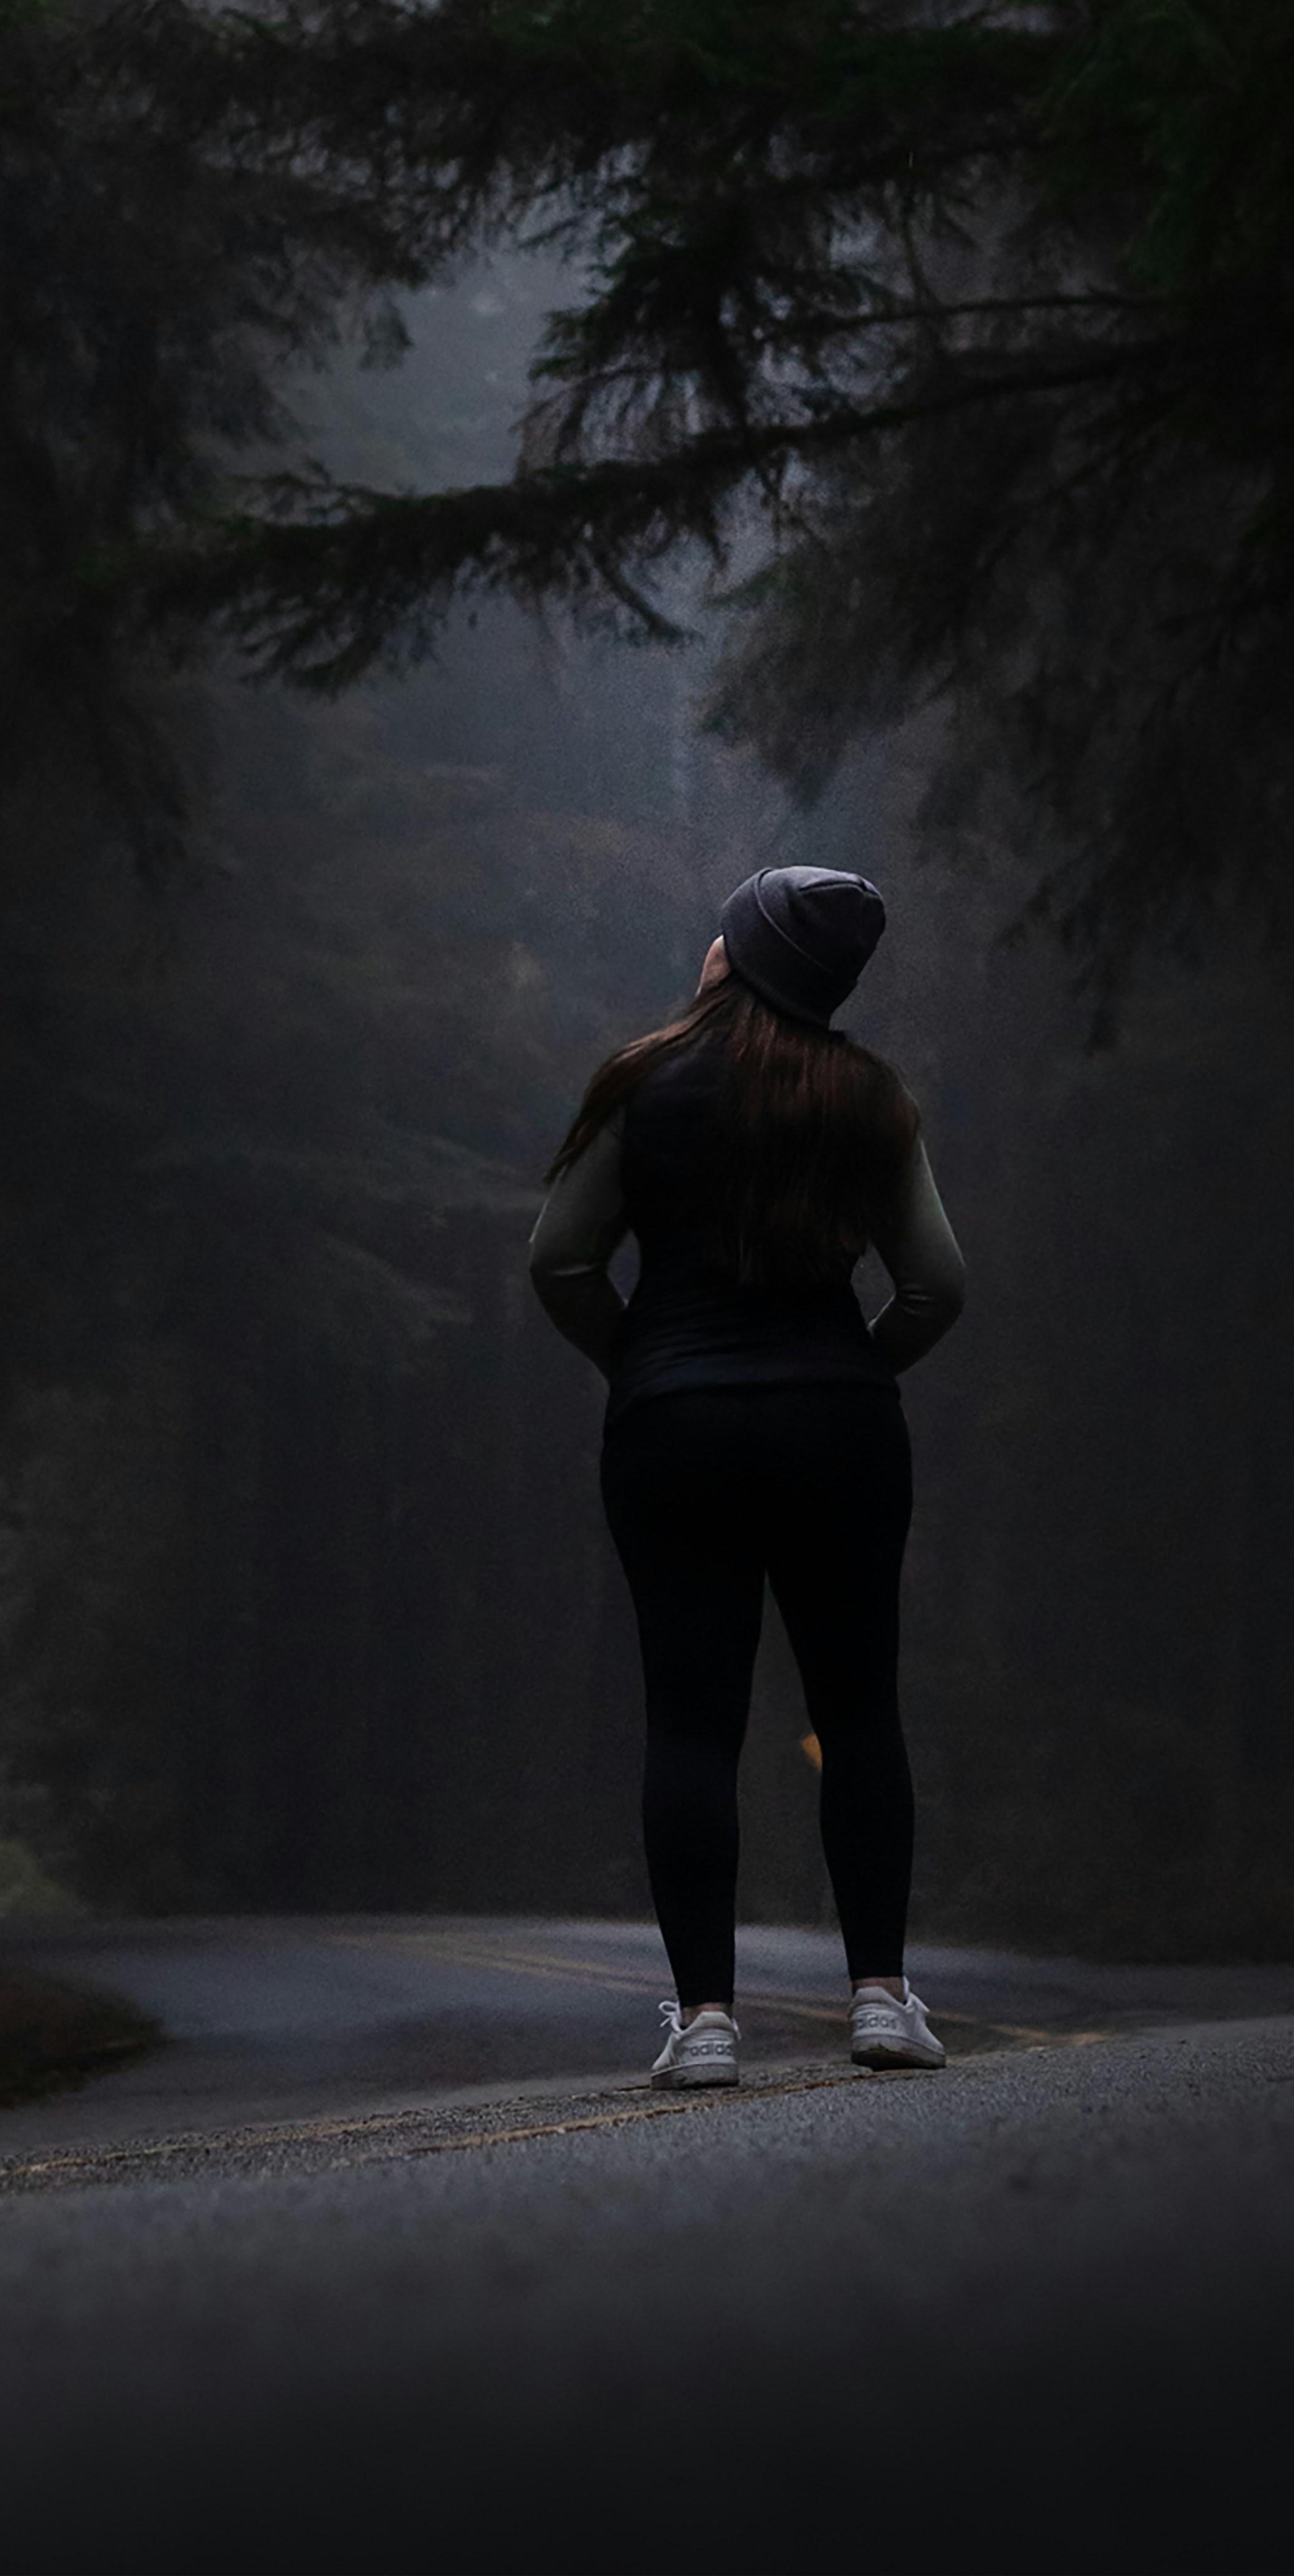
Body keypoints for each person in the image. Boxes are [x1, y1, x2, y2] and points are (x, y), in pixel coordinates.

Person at [528, 865, 966, 2090]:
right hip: (839, 1431)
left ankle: (706, 2024)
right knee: (858, 1708)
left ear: (737, 958)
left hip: (676, 1434)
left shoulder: (643, 1078)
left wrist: (651, 1373)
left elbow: (560, 1262)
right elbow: (936, 1286)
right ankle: (880, 2000)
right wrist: (849, 1379)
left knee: (690, 1721)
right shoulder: (869, 1098)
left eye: (724, 932)